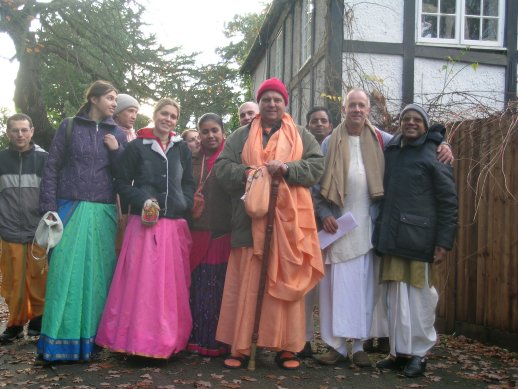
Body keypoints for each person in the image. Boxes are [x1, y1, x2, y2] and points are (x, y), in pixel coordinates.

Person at [313, 89, 454, 368]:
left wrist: (441, 141)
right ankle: (336, 346)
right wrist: (325, 212)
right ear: (344, 109)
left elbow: (416, 139)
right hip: (338, 225)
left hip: (370, 225)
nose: (357, 110)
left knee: (366, 289)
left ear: (368, 110)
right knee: (335, 289)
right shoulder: (330, 142)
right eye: (352, 105)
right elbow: (317, 186)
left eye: (361, 105)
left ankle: (360, 345)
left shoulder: (382, 140)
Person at [215, 78, 324, 370]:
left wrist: (288, 168)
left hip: (288, 228)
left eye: (277, 99)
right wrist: (253, 174)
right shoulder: (240, 136)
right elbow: (221, 168)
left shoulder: (301, 134)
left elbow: (316, 166)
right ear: (259, 103)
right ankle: (240, 347)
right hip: (248, 224)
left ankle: (286, 348)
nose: (272, 104)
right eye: (266, 99)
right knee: (246, 287)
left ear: (284, 103)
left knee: (282, 287)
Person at [96, 98, 195, 359]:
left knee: (169, 288)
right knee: (142, 287)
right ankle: (137, 343)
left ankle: (167, 341)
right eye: (164, 113)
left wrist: (182, 202)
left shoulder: (181, 148)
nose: (168, 119)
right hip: (144, 226)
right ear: (155, 114)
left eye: (173, 116)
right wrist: (143, 200)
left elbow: (188, 181)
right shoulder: (137, 146)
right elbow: (120, 182)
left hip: (173, 226)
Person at [37, 80, 127, 362]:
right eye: (110, 98)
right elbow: (52, 167)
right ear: (94, 99)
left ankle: (91, 344)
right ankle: (55, 344)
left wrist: (116, 150)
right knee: (64, 275)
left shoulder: (118, 133)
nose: (115, 103)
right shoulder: (69, 126)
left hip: (103, 211)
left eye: (115, 99)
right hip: (69, 207)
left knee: (97, 278)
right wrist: (49, 208)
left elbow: (124, 175)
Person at [374, 104, 457, 377]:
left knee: (419, 299)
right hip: (391, 236)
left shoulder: (435, 153)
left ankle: (419, 355)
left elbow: (448, 201)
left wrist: (443, 242)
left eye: (416, 120)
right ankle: (399, 352)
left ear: (425, 124)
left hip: (419, 239)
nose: (410, 123)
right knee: (394, 298)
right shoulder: (392, 149)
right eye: (406, 119)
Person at [0, 113, 48, 342]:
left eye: (24, 130)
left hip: (38, 231)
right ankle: (16, 323)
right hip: (9, 231)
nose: (20, 134)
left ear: (32, 131)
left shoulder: (45, 159)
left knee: (39, 278)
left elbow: (51, 195)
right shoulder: (1, 160)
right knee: (13, 281)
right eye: (15, 130)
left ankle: (38, 321)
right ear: (7, 132)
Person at [187, 113, 231, 357]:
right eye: (205, 131)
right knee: (198, 288)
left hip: (223, 232)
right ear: (199, 134)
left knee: (219, 290)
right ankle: (196, 340)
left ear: (223, 132)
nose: (210, 135)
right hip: (197, 231)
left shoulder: (232, 157)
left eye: (215, 130)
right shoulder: (191, 158)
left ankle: (220, 342)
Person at [298, 106, 334, 359]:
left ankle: (334, 343)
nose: (319, 124)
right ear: (308, 126)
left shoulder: (337, 147)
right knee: (305, 287)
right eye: (314, 121)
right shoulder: (301, 151)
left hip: (332, 228)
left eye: (323, 121)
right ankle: (304, 340)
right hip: (303, 226)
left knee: (329, 289)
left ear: (330, 125)